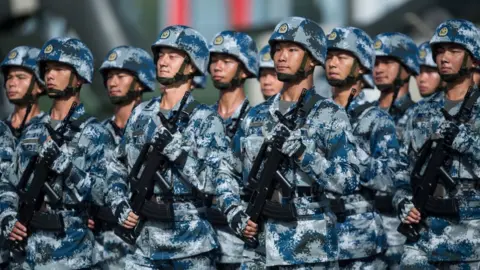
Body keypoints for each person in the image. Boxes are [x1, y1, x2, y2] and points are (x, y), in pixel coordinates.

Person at [230, 16, 359, 269]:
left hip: (309, 249)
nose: (280, 56)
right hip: (259, 249)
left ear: (312, 58)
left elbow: (348, 181)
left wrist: (304, 154)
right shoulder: (256, 115)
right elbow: (227, 170)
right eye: (277, 49)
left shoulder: (330, 114)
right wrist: (234, 211)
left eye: (291, 50)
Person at [105, 25, 239, 269]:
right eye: (161, 55)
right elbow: (116, 166)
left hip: (192, 248)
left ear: (191, 66)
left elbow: (217, 182)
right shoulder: (140, 114)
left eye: (173, 56)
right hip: (144, 247)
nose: (163, 62)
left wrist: (180, 155)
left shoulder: (206, 120)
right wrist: (119, 204)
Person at [0, 37, 112, 269]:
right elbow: (8, 184)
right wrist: (7, 216)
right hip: (28, 254)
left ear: (79, 76)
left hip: (73, 255)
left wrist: (66, 167)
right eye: (47, 69)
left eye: (59, 69)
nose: (50, 75)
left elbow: (103, 195)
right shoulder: (33, 131)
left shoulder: (95, 133)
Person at [396, 18, 480, 269]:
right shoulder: (419, 112)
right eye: (439, 51)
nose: (444, 58)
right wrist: (402, 200)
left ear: (474, 59)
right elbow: (400, 167)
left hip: (471, 242)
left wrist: (469, 144)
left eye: (454, 51)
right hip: (423, 240)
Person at [326, 26, 399, 269]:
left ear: (361, 67)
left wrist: (350, 150)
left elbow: (389, 180)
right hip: (315, 239)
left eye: (342, 57)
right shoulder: (313, 115)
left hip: (360, 241)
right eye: (329, 56)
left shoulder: (376, 119)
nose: (332, 63)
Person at [90, 45, 156, 269]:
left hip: (145, 246)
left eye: (120, 75)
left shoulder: (155, 131)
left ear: (140, 82)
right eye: (109, 76)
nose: (112, 82)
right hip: (101, 247)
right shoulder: (95, 133)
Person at [207, 30, 258, 269]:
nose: (217, 67)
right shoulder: (200, 118)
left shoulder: (258, 121)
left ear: (246, 70)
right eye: (214, 61)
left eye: (226, 61)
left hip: (242, 240)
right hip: (200, 237)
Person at [373, 32, 420, 139]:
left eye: (387, 62)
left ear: (408, 68)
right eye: (375, 63)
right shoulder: (362, 113)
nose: (379, 69)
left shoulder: (420, 115)